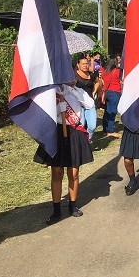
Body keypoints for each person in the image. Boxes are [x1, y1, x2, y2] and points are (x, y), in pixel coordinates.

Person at [34, 82, 94, 225]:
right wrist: (57, 107)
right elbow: (44, 112)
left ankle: (72, 205)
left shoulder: (77, 91)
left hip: (74, 132)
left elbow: (90, 104)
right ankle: (56, 210)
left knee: (73, 173)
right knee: (57, 173)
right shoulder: (52, 92)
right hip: (56, 132)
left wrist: (71, 91)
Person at [74, 56, 100, 140]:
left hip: (90, 103)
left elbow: (97, 82)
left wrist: (94, 91)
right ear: (78, 65)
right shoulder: (74, 74)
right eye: (83, 64)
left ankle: (87, 140)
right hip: (78, 103)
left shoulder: (91, 75)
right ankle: (82, 143)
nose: (85, 65)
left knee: (92, 126)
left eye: (86, 63)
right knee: (81, 124)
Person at [102, 59, 122, 138]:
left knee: (107, 112)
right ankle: (110, 131)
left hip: (106, 92)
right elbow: (121, 80)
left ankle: (105, 129)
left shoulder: (104, 70)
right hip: (115, 92)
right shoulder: (117, 71)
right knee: (112, 112)